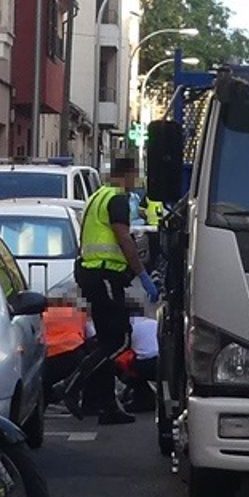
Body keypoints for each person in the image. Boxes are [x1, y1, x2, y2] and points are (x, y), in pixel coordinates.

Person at [76, 158, 158, 426]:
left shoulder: (96, 197)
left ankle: (104, 404)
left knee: (105, 340)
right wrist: (143, 274)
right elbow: (123, 238)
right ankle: (72, 385)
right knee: (119, 340)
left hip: (91, 274)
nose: (137, 182)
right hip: (105, 275)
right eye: (136, 175)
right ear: (128, 174)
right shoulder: (117, 199)